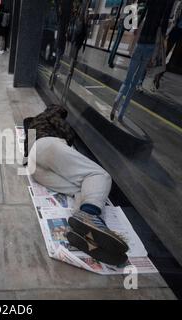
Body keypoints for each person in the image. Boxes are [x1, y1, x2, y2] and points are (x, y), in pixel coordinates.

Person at [25, 105, 129, 265]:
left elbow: (27, 151)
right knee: (98, 175)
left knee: (83, 188)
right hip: (48, 147)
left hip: (34, 167)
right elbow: (66, 131)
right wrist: (70, 140)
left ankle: (82, 233)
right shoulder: (51, 114)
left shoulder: (33, 124)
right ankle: (90, 215)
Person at [111, 0, 175, 121]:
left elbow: (143, 12)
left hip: (140, 43)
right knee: (135, 82)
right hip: (151, 46)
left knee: (127, 80)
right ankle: (121, 114)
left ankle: (116, 101)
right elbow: (164, 24)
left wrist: (136, 27)